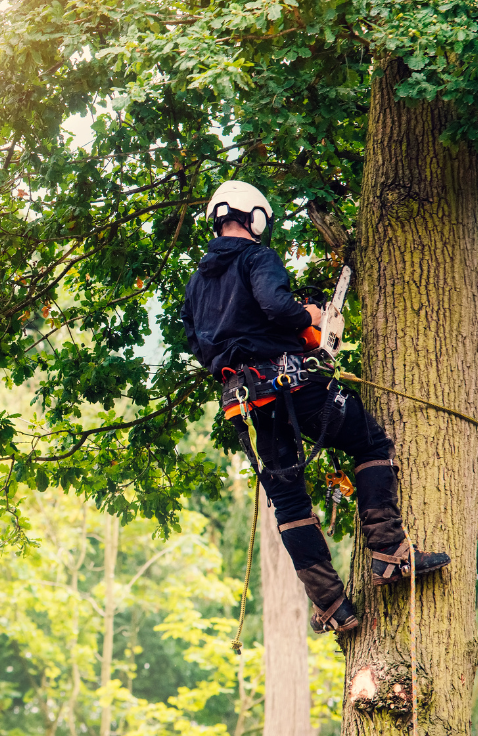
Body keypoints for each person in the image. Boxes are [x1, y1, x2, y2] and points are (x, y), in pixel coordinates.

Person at [181, 180, 450, 634]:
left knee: (288, 500)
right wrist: (313, 316)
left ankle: (331, 605)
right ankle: (389, 553)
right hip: (288, 385)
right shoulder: (256, 258)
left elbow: (197, 344)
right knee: (370, 442)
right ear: (256, 218)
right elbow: (275, 305)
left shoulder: (196, 283)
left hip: (245, 402)